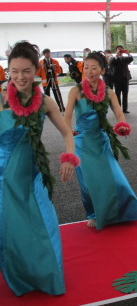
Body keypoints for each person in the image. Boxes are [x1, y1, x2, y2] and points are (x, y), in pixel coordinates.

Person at [0, 41, 77, 296]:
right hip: (3, 180)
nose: (20, 76)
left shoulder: (44, 102)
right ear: (8, 70)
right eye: (15, 70)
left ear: (36, 71)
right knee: (12, 231)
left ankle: (47, 276)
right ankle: (21, 277)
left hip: (32, 175)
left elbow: (68, 133)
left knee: (45, 224)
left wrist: (68, 157)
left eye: (26, 71)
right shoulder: (1, 100)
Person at [65, 52, 137, 229]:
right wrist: (67, 131)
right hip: (82, 142)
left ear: (102, 70)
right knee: (88, 183)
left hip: (101, 140)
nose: (89, 71)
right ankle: (93, 213)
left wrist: (122, 125)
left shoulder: (108, 92)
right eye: (86, 67)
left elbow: (118, 113)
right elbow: (67, 115)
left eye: (94, 68)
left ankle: (123, 211)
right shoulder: (75, 91)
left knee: (114, 178)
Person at [37, 48, 65, 112]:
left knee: (57, 94)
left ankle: (61, 107)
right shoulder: (41, 62)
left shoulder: (55, 61)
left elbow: (58, 70)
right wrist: (41, 66)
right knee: (47, 96)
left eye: (49, 53)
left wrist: (54, 69)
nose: (48, 54)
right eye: (46, 53)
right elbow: (37, 73)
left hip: (53, 80)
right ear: (44, 54)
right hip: (45, 81)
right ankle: (47, 109)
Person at [110, 45, 133, 113]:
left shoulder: (125, 58)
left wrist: (128, 53)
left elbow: (131, 59)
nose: (120, 51)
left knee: (125, 94)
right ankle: (118, 108)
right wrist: (117, 55)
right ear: (116, 51)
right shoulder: (114, 58)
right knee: (117, 94)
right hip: (117, 80)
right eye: (118, 50)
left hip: (125, 78)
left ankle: (125, 109)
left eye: (121, 50)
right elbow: (112, 62)